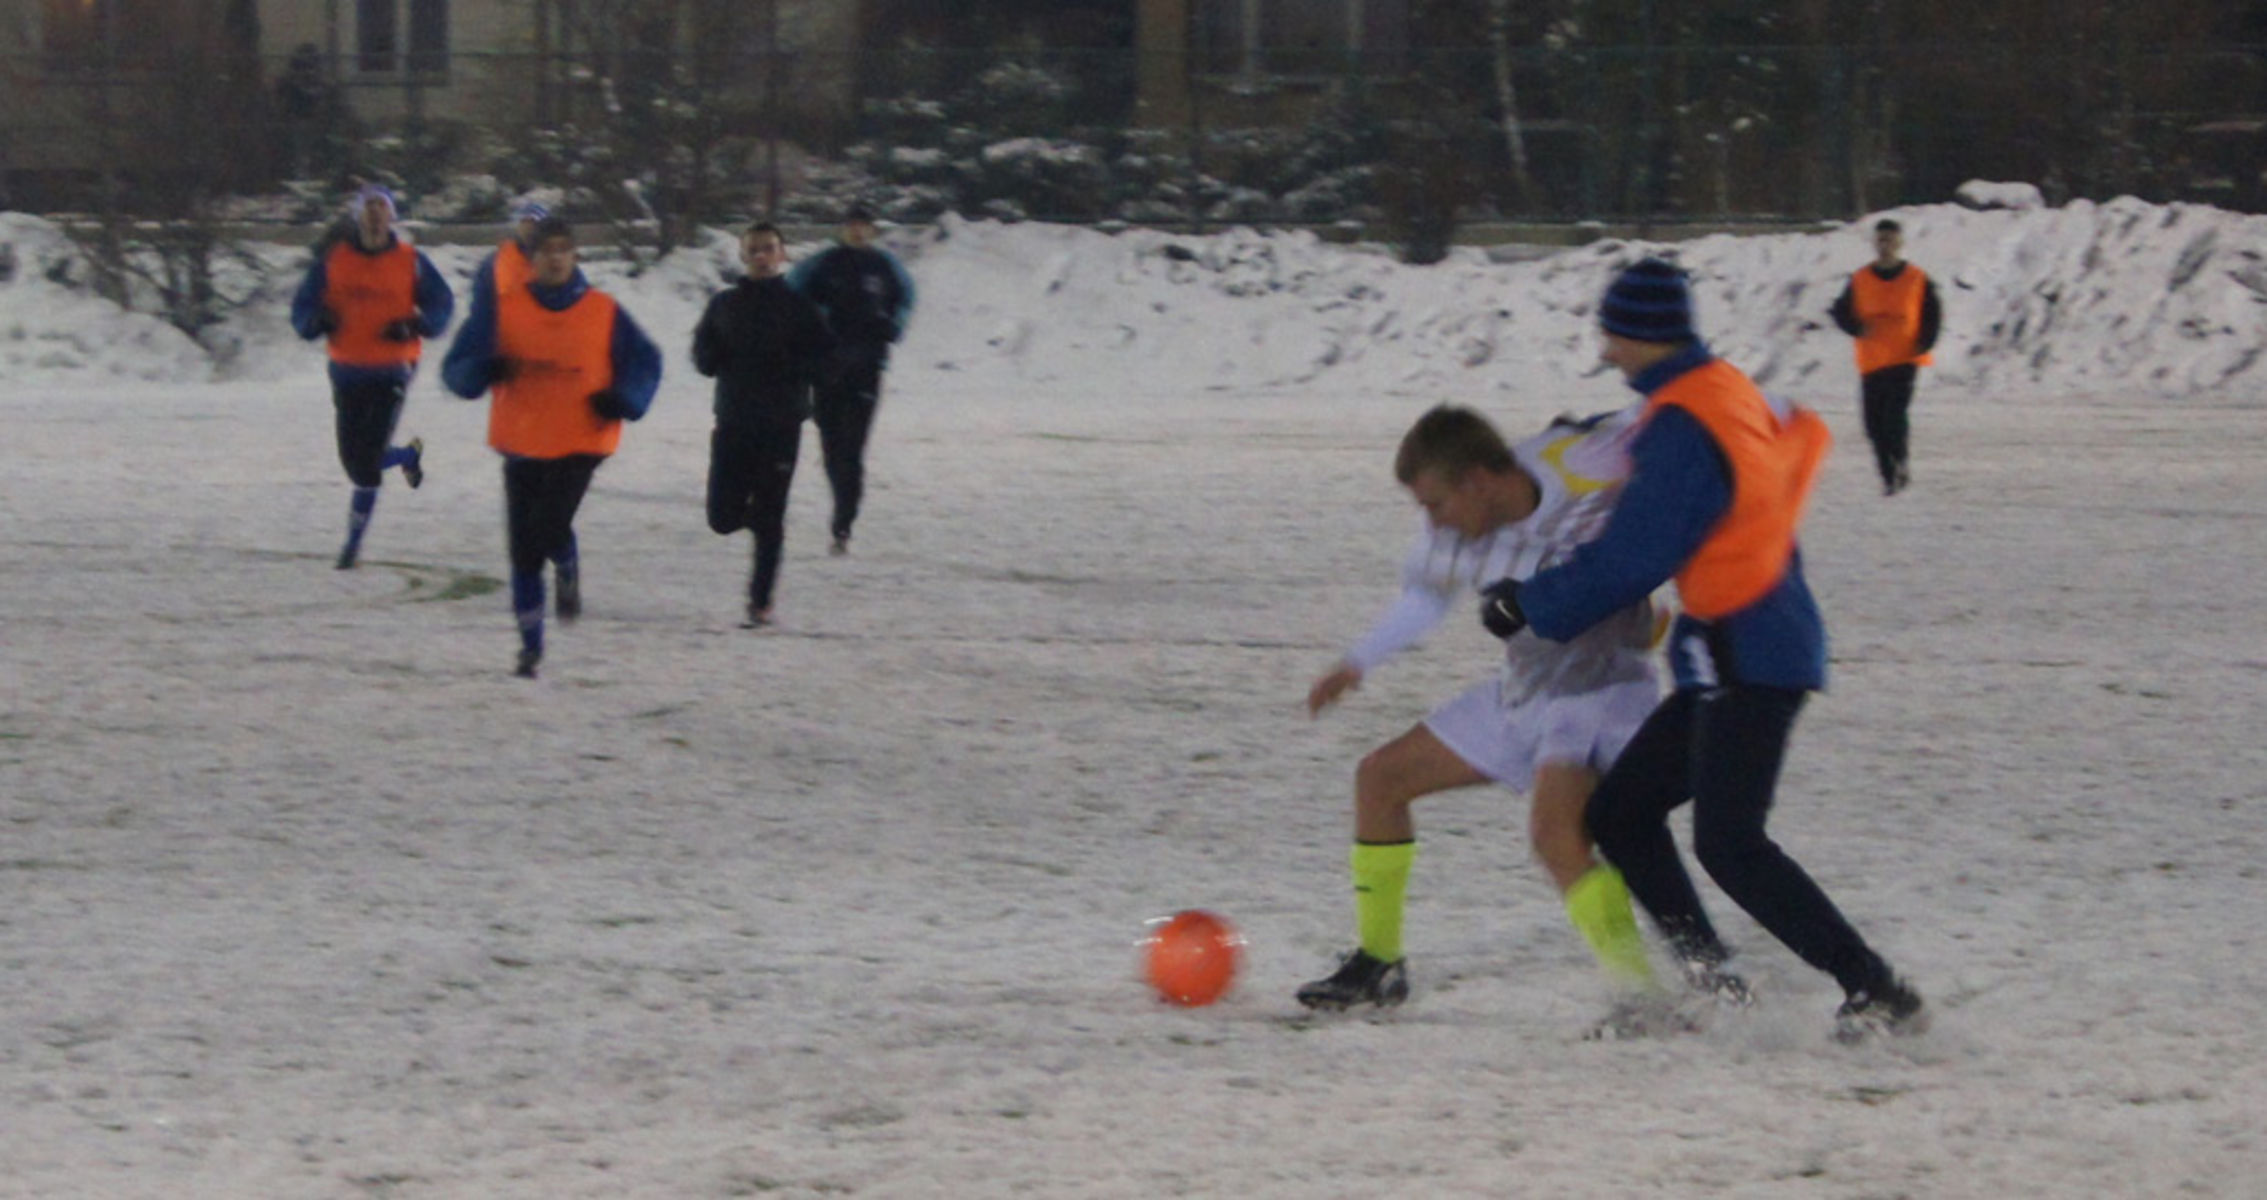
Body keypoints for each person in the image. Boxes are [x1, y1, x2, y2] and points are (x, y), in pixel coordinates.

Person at [1483, 257, 1926, 1042]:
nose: (1605, 349)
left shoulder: (1683, 421)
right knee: (1620, 813)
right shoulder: (1721, 387)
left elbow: (1634, 555)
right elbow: (1800, 430)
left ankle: (1874, 989)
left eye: (1610, 333)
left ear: (1638, 333)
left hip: (1748, 651)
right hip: (1740, 646)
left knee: (1729, 842)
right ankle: (1713, 985)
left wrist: (1529, 603)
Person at [1296, 403, 1669, 1017]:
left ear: (1477, 480)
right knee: (1380, 779)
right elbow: (1424, 595)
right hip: (1521, 692)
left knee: (1555, 837)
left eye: (1434, 502)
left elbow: (1668, 410)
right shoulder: (1453, 531)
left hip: (1600, 694)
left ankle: (1640, 996)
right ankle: (1379, 966)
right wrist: (1356, 662)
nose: (1430, 520)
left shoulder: (1578, 467)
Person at [440, 216, 664, 679]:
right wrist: (483, 371)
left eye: (564, 248)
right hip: (521, 441)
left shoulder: (603, 310)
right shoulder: (503, 309)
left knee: (546, 525)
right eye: (547, 249)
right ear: (532, 258)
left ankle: (565, 562)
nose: (556, 257)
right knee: (522, 550)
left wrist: (625, 398)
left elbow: (646, 361)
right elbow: (457, 366)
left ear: (575, 256)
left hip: (581, 440)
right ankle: (529, 647)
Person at [289, 183, 455, 569]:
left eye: (383, 207)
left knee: (365, 464)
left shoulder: (410, 260)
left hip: (392, 369)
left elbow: (441, 303)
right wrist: (316, 322)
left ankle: (351, 547)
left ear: (392, 216)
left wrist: (417, 324)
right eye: (369, 207)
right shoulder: (335, 260)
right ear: (358, 216)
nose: (377, 214)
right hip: (346, 370)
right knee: (353, 460)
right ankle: (407, 454)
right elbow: (303, 306)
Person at [691, 222, 834, 627]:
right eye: (753, 249)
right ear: (743, 255)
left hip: (781, 424)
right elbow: (702, 355)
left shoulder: (799, 306)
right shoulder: (725, 305)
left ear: (782, 255)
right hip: (734, 421)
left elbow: (826, 361)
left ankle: (760, 602)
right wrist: (712, 355)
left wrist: (797, 367)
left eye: (768, 248)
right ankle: (755, 519)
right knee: (721, 518)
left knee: (772, 516)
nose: (761, 255)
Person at [785, 204, 916, 555]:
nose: (858, 232)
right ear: (843, 229)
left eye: (864, 226)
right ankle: (841, 506)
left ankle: (844, 522)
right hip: (827, 369)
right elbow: (791, 293)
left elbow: (907, 297)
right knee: (831, 448)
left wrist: (894, 326)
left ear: (873, 231)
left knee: (853, 449)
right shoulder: (823, 264)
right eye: (852, 226)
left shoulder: (885, 266)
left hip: (866, 369)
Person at [1829, 218, 1941, 496]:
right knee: (1872, 421)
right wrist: (1856, 327)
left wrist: (1925, 342)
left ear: (1900, 243)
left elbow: (1933, 314)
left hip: (1904, 357)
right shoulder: (1860, 278)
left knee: (1893, 415)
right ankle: (1887, 468)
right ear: (1874, 243)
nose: (1885, 246)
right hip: (1872, 359)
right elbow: (1840, 311)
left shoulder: (1917, 278)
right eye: (1880, 240)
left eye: (1890, 240)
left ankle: (1897, 467)